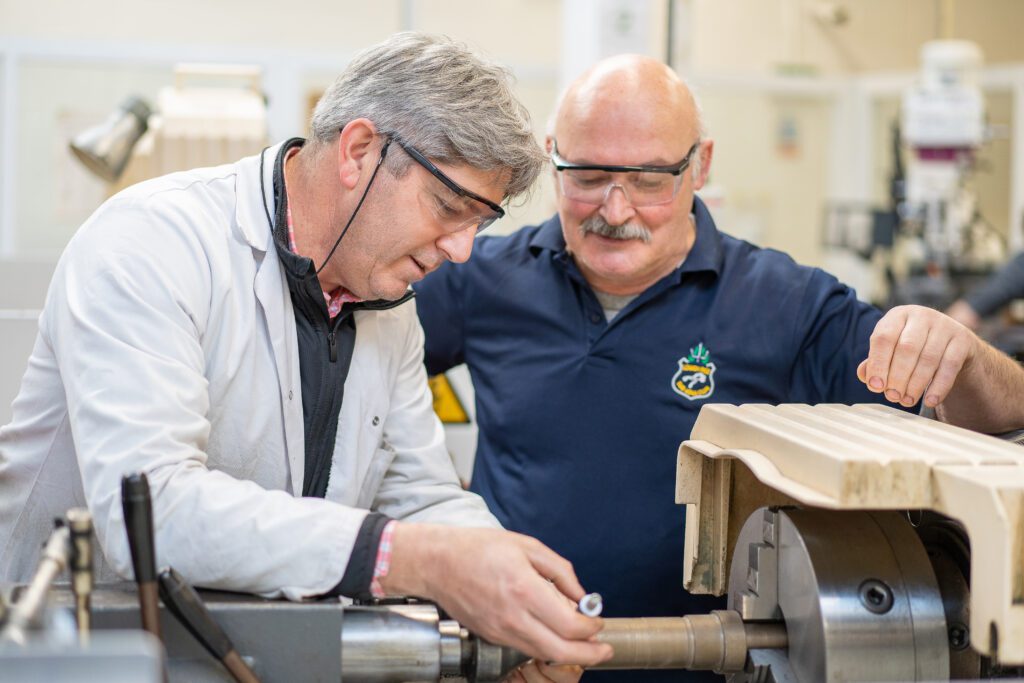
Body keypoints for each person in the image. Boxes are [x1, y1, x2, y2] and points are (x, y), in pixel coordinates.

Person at [0, 33, 612, 676]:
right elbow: (152, 510)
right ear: (358, 152)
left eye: (479, 223)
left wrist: (514, 592)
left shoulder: (387, 303)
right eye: (449, 207)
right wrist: (418, 560)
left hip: (254, 651)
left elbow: (419, 493)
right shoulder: (152, 243)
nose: (461, 251)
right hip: (74, 648)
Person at [414, 54, 1024, 682]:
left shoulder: (785, 305)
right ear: (552, 157)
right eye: (588, 175)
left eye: (651, 180)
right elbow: (359, 378)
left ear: (701, 165)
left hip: (706, 665)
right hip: (508, 662)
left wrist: (966, 355)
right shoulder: (480, 281)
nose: (615, 210)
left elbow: (980, 419)